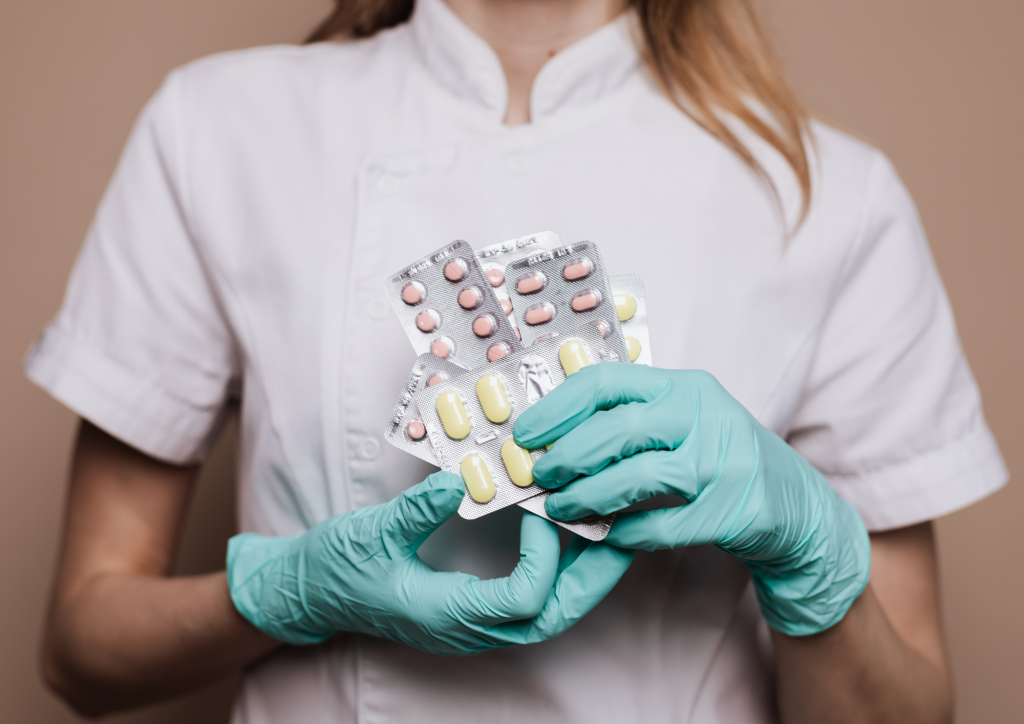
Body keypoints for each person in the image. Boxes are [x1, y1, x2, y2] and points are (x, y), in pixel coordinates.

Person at [26, 0, 1007, 721]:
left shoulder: (831, 196)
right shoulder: (220, 129)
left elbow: (905, 711)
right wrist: (286, 590)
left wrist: (811, 554)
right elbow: (81, 650)